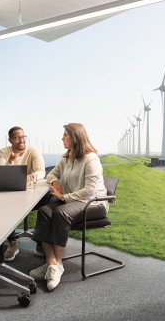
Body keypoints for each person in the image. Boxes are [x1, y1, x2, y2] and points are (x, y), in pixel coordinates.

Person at [30, 123, 107, 291]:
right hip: (73, 201)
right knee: (44, 211)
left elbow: (89, 191)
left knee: (61, 213)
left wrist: (63, 196)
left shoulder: (91, 159)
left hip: (94, 203)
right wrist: (55, 183)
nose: (62, 138)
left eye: (65, 135)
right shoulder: (66, 158)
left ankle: (57, 266)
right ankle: (52, 264)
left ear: (75, 138)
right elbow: (51, 174)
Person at [0, 126, 46, 261]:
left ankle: (42, 241)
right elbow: (1, 175)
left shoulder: (33, 151)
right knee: (3, 204)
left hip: (31, 192)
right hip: (11, 194)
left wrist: (31, 177)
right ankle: (12, 242)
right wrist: (11, 161)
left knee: (49, 202)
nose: (21, 140)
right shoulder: (2, 153)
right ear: (10, 140)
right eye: (17, 138)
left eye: (23, 137)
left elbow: (41, 171)